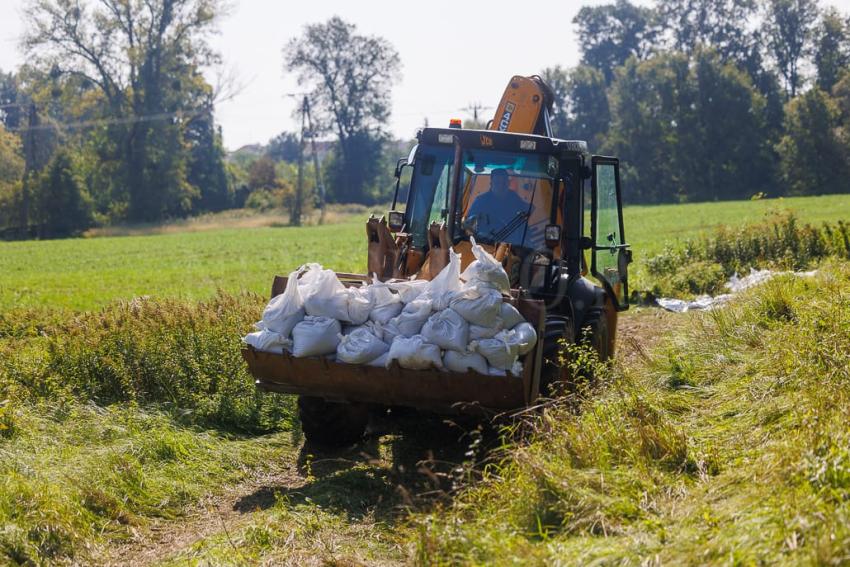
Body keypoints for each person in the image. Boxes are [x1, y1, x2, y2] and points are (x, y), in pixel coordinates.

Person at [465, 168, 530, 240]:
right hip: (487, 242)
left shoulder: (514, 198)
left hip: (513, 243)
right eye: (497, 183)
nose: (501, 186)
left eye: (504, 183)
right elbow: (470, 224)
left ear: (508, 184)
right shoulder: (480, 201)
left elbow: (524, 218)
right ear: (491, 184)